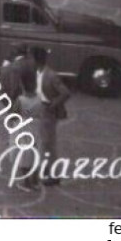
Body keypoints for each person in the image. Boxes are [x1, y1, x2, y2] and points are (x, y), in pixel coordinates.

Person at [30, 47, 71, 187]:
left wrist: (52, 106)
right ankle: (47, 170)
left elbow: (65, 93)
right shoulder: (37, 72)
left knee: (48, 144)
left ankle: (53, 175)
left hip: (47, 111)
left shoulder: (51, 75)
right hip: (40, 109)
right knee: (44, 142)